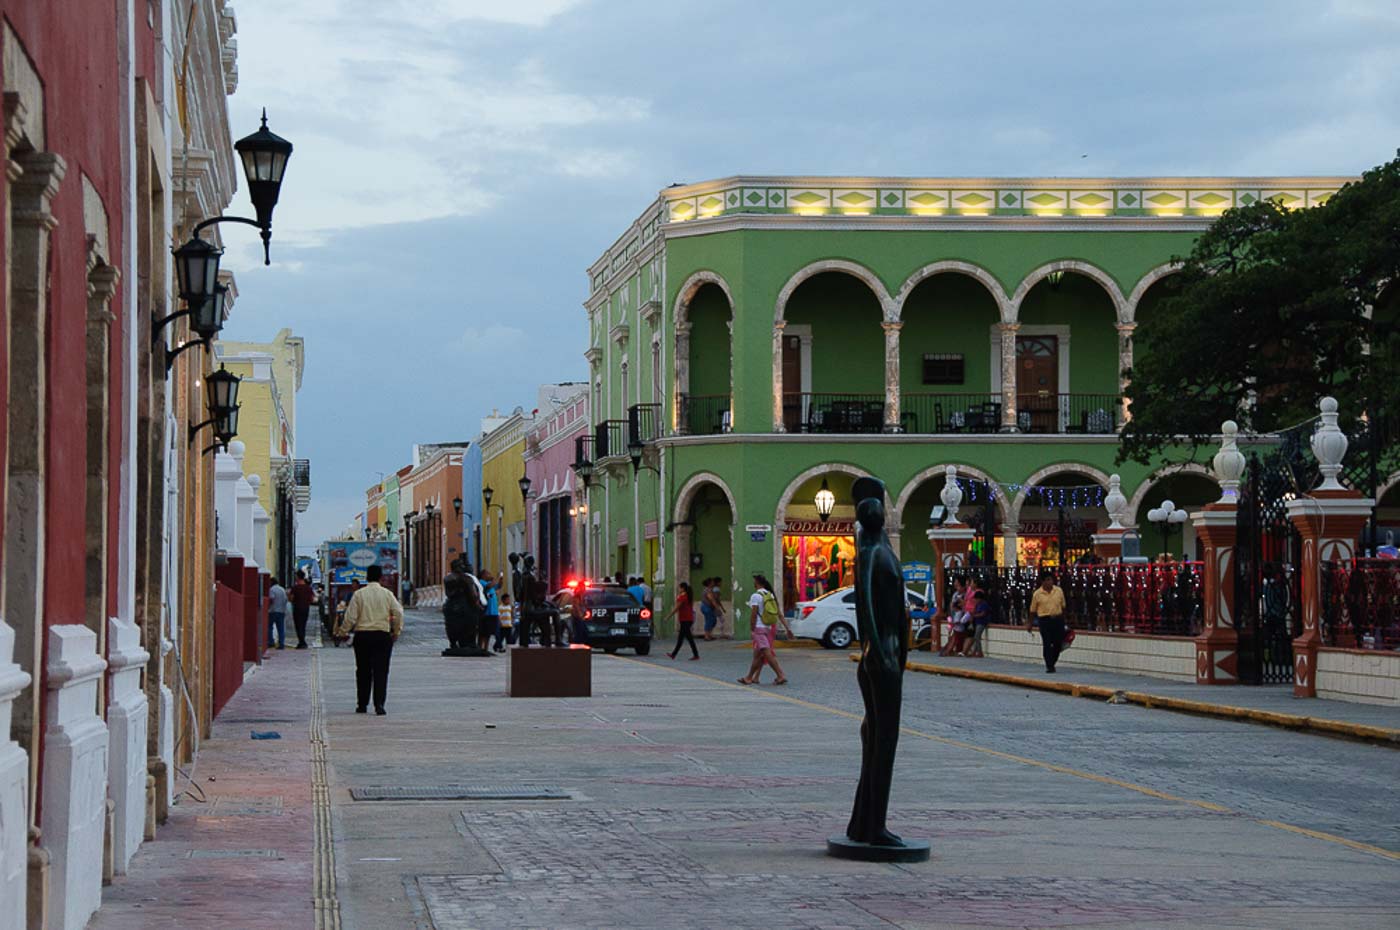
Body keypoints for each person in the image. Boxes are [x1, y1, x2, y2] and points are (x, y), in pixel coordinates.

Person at [335, 564, 403, 714]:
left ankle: (362, 704)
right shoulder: (387, 594)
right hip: (382, 636)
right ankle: (379, 705)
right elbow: (398, 612)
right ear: (381, 577)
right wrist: (396, 631)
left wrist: (343, 632)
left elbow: (350, 616)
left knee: (363, 671)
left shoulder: (359, 594)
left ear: (366, 578)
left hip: (363, 636)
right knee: (381, 671)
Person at [738, 574, 790, 685]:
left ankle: (780, 675)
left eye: (754, 581)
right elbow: (778, 613)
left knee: (766, 652)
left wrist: (752, 628)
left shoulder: (755, 596)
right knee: (758, 654)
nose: (753, 583)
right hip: (768, 627)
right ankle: (750, 677)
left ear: (757, 582)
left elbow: (753, 614)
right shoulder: (769, 594)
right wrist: (787, 628)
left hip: (759, 627)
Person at [1027, 571, 1067, 673]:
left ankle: (1052, 661)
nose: (1050, 582)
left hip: (1057, 619)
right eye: (1048, 580)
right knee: (1047, 643)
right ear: (1043, 581)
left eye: (1051, 580)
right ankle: (1049, 665)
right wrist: (1030, 623)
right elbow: (1032, 610)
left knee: (1058, 643)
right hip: (1045, 620)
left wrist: (1064, 620)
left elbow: (1063, 606)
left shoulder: (1059, 591)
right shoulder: (1037, 594)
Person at [518, 579, 562, 647]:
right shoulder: (533, 594)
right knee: (555, 613)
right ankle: (558, 640)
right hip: (533, 612)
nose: (545, 592)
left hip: (535, 610)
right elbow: (536, 603)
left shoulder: (532, 592)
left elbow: (541, 602)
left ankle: (548, 639)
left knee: (551, 614)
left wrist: (550, 604)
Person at [665, 581, 700, 660]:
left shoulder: (683, 597)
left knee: (684, 638)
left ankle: (675, 654)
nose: (679, 589)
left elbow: (676, 608)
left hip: (685, 620)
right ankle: (675, 654)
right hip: (688, 619)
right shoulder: (688, 596)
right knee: (686, 638)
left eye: (680, 587)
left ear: (683, 588)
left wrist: (668, 616)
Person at [289, 571, 315, 649]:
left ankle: (302, 642)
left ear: (297, 577)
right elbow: (312, 599)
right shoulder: (308, 588)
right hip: (306, 608)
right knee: (303, 625)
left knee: (298, 625)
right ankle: (302, 641)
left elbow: (291, 598)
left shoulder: (295, 588)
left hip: (297, 608)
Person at [266, 577, 288, 650]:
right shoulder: (282, 589)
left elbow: (271, 599)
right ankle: (281, 643)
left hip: (273, 610)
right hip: (281, 611)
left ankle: (271, 641)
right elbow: (285, 599)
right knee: (281, 628)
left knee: (269, 627)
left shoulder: (272, 589)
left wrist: (267, 606)